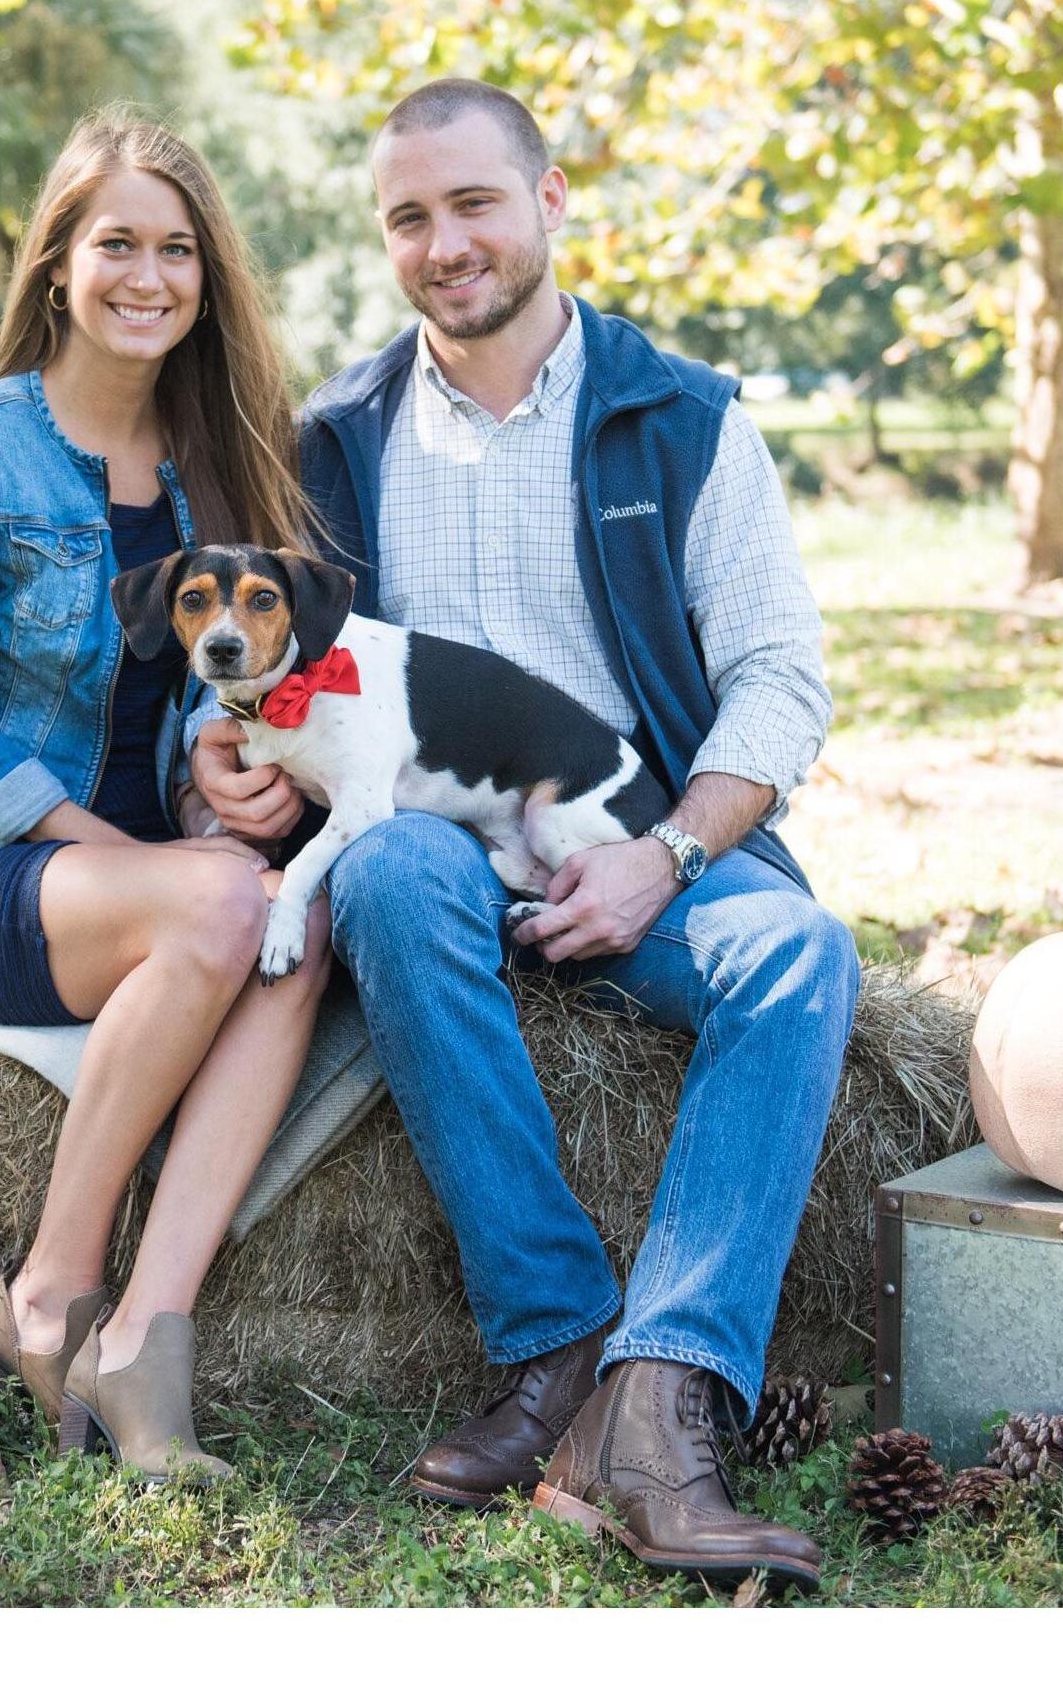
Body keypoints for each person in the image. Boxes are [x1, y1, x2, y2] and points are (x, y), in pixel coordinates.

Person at [191, 79, 859, 1588]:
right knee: (391, 866)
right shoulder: (331, 441)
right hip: (430, 848)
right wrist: (213, 768)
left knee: (800, 954)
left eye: (474, 203)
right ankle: (555, 1342)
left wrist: (667, 855)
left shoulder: (681, 420)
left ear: (549, 200)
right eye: (408, 218)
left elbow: (779, 680)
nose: (444, 244)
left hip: (638, 830)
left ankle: (658, 1401)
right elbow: (235, 642)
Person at [0, 106, 332, 1479]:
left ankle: (142, 1338)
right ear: (57, 262)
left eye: (177, 250)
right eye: (117, 243)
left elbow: (222, 682)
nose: (148, 276)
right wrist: (139, 857)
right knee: (222, 907)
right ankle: (51, 1291)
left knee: (290, 925)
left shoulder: (223, 462)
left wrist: (218, 775)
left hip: (148, 876)